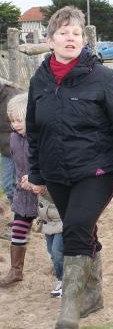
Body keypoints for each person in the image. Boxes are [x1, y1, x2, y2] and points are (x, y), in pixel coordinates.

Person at [25, 6, 113, 328]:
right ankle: (94, 295)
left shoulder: (102, 76)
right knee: (83, 229)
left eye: (76, 33)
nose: (70, 38)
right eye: (63, 33)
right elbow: (34, 130)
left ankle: (70, 308)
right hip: (56, 173)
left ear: (84, 40)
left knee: (74, 226)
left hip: (97, 170)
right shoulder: (40, 79)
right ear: (50, 41)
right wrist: (36, 172)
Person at [0, 93, 42, 287]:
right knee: (19, 230)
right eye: (12, 121)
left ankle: (62, 264)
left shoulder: (40, 138)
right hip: (22, 192)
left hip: (43, 192)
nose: (15, 125)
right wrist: (21, 180)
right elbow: (18, 164)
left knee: (55, 234)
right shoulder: (14, 138)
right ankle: (16, 270)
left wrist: (35, 177)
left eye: (19, 120)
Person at [37, 191, 64, 298]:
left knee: (56, 250)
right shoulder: (40, 175)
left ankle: (62, 281)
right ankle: (61, 278)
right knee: (51, 251)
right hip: (47, 219)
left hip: (61, 219)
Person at [0, 78, 23, 205]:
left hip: (21, 147)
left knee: (24, 185)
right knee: (9, 186)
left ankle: (24, 217)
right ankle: (20, 217)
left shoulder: (13, 94)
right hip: (5, 150)